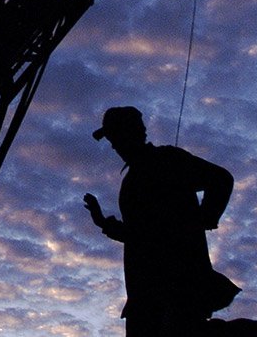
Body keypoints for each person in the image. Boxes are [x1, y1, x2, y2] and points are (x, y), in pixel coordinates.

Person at [84, 106, 240, 337]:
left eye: (115, 136)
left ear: (134, 133)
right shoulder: (132, 179)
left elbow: (221, 180)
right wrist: (103, 223)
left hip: (177, 288)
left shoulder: (167, 160)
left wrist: (201, 220)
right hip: (144, 294)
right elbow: (139, 236)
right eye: (111, 139)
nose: (114, 145)